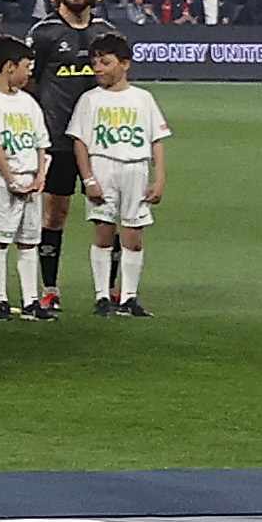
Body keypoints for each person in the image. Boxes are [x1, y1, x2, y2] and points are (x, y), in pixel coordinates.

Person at [67, 33, 172, 314]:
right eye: (95, 63)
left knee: (134, 237)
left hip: (135, 167)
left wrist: (159, 178)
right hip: (103, 166)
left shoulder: (143, 98)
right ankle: (102, 295)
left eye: (105, 62)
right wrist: (88, 178)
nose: (98, 68)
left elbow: (156, 140)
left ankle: (129, 297)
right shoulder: (90, 99)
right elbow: (81, 142)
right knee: (103, 233)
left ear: (125, 64)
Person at [27, 0, 110, 314]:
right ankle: (49, 289)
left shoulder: (106, 33)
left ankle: (109, 292)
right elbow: (28, 82)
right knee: (55, 214)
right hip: (59, 141)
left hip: (102, 142)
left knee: (109, 213)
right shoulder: (43, 34)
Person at [0, 42, 55, 321]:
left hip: (30, 179)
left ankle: (31, 302)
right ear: (9, 66)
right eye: (26, 66)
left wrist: (40, 177)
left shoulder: (28, 101)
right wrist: (12, 181)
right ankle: (0, 301)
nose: (30, 73)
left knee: (29, 241)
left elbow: (41, 142)